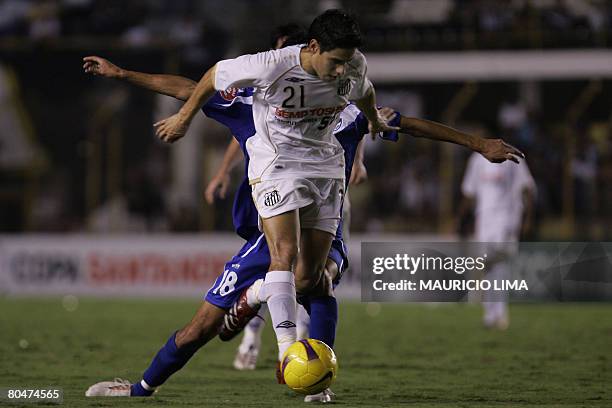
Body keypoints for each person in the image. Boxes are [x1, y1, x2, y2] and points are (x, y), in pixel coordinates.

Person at [153, 10, 399, 367]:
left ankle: (259, 298)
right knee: (282, 255)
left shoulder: (351, 67)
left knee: (312, 280)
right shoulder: (270, 67)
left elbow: (365, 91)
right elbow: (208, 79)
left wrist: (374, 120)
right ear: (311, 47)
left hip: (324, 176)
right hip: (276, 172)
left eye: (347, 62)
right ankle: (286, 351)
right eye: (336, 61)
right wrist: (182, 118)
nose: (342, 69)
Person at [459, 149, 536, 329]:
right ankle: (491, 313)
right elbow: (469, 192)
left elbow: (527, 187)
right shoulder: (476, 160)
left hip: (507, 218)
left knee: (498, 262)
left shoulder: (513, 156)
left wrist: (528, 218)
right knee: (489, 265)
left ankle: (498, 313)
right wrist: (462, 219)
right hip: (484, 219)